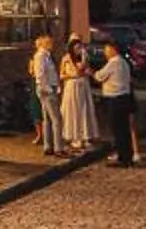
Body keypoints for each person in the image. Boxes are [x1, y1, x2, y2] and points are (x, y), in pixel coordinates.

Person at [93, 35, 140, 165]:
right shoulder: (123, 62)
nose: (105, 52)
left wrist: (91, 72)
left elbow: (99, 76)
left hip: (116, 99)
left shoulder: (114, 63)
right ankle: (126, 155)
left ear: (113, 50)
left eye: (107, 49)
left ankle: (123, 157)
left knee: (119, 129)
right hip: (124, 98)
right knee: (123, 129)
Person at [59, 37, 100, 152]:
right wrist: (72, 75)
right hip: (72, 86)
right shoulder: (66, 59)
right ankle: (73, 135)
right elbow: (61, 75)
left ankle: (85, 135)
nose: (78, 50)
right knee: (73, 110)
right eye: (76, 48)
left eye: (80, 47)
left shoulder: (84, 57)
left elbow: (88, 70)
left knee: (84, 110)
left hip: (83, 86)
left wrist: (84, 65)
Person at [32, 35, 67, 152]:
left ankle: (48, 146)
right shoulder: (41, 56)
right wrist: (49, 89)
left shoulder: (46, 55)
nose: (52, 44)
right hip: (46, 89)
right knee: (57, 119)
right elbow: (40, 75)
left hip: (47, 87)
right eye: (49, 42)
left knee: (47, 118)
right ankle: (58, 147)